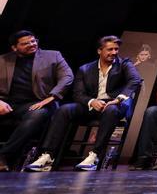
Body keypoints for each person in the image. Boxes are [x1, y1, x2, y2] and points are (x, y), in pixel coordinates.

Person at [26, 35, 142, 172]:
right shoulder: (85, 69)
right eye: (110, 49)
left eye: (116, 49)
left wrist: (118, 99)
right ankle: (48, 155)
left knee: (111, 110)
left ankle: (95, 155)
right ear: (100, 51)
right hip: (91, 105)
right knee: (65, 109)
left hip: (115, 105)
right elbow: (78, 94)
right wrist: (92, 101)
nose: (114, 52)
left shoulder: (124, 64)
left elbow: (135, 80)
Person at [0, 31, 73, 172]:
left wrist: (52, 97)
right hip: (7, 103)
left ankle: (3, 154)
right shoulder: (3, 60)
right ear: (14, 48)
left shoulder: (53, 56)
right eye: (25, 43)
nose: (32, 44)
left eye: (33, 41)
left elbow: (67, 77)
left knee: (37, 114)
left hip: (36, 103)